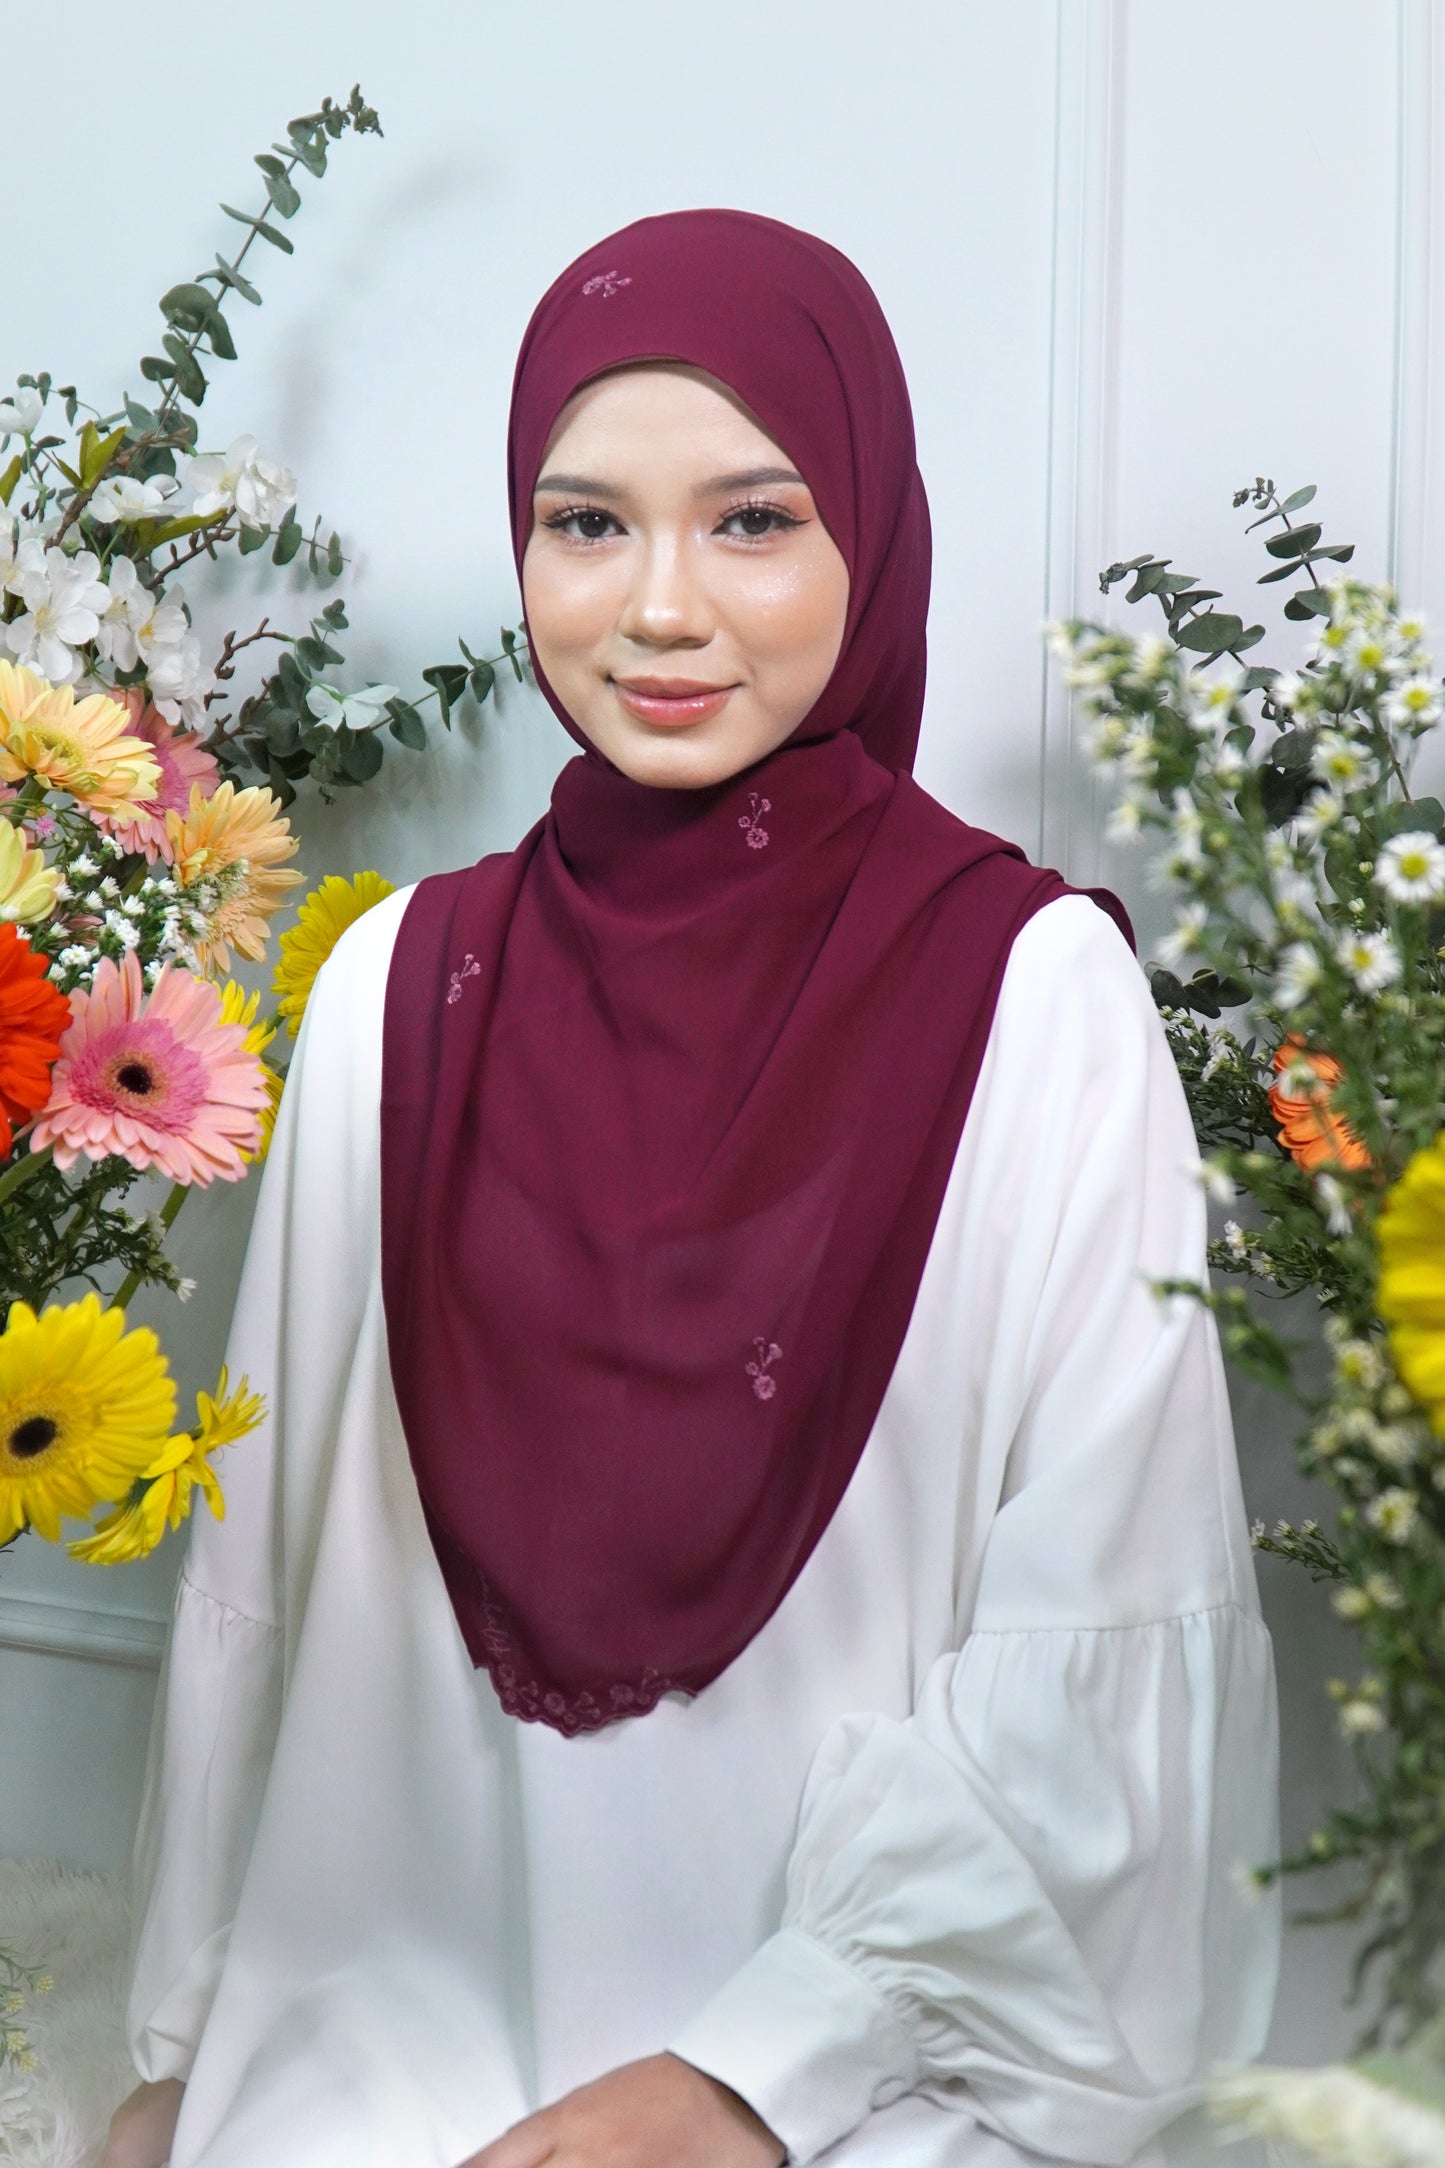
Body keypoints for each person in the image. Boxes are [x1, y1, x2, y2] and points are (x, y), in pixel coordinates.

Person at [103, 208, 1280, 2168]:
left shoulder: (1035, 995)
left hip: (861, 2077)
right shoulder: (399, 981)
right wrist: (187, 2044)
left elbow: (1104, 1609)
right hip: (376, 2034)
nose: (659, 608)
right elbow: (271, 1579)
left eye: (753, 521)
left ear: (871, 537)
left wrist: (758, 2073)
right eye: (586, 523)